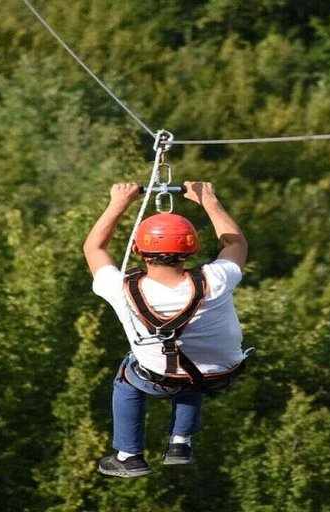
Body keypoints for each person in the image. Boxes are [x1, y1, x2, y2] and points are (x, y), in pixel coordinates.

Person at [82, 181, 248, 478]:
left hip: (163, 377)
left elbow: (94, 248)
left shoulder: (120, 288)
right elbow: (235, 244)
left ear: (137, 249)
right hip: (220, 373)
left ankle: (128, 455)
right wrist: (208, 199)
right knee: (190, 361)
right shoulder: (216, 280)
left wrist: (120, 202)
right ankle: (180, 443)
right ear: (191, 249)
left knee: (128, 377)